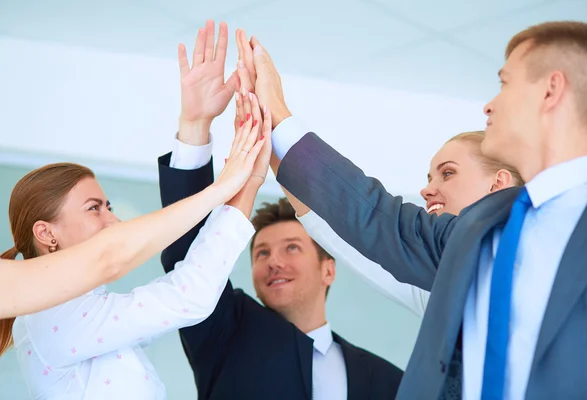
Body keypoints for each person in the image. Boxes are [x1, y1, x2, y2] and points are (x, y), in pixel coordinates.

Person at [249, 20, 587, 400]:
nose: (489, 104)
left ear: (551, 90)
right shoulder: (476, 233)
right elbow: (372, 216)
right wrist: (276, 120)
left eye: (505, 83)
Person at [6, 33, 270, 399]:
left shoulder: (76, 314)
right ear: (46, 233)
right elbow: (187, 295)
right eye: (94, 208)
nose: (112, 221)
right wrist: (233, 187)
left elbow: (181, 296)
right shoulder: (53, 317)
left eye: (108, 207)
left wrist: (195, 127)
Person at [156, 22, 403, 399]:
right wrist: (195, 125)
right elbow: (188, 257)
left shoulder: (387, 379)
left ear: (329, 269)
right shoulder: (223, 332)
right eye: (261, 253)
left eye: (291, 247)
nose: (273, 261)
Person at [283, 131, 523, 316]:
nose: (426, 190)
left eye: (448, 173)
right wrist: (266, 139)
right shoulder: (437, 286)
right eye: (429, 179)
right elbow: (347, 236)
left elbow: (374, 218)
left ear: (497, 183)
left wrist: (278, 119)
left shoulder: (533, 255)